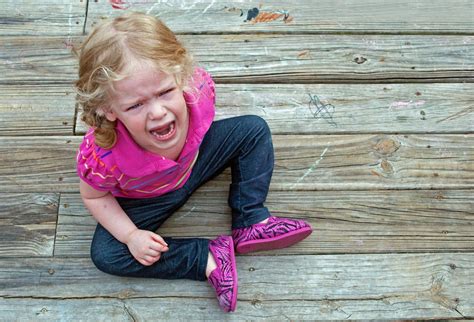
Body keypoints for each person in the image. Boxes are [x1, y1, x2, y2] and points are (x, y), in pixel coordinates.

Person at [74, 11, 312, 313]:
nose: (158, 112)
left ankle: (251, 219)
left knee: (253, 129)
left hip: (195, 162)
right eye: (136, 105)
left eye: (165, 92)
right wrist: (131, 236)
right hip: (144, 198)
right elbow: (93, 195)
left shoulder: (198, 91)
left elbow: (219, 130)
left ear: (180, 76)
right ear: (108, 109)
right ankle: (207, 258)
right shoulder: (102, 156)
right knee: (106, 254)